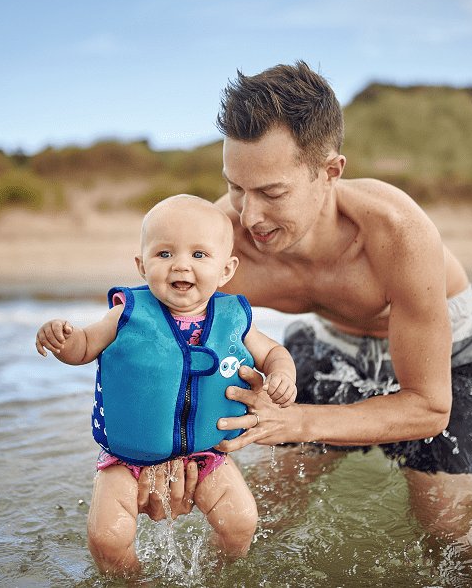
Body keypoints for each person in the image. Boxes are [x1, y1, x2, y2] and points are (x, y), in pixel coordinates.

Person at [144, 61, 472, 545]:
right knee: (265, 508)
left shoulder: (397, 233)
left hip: (445, 345)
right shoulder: (213, 243)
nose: (248, 215)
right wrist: (164, 451)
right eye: (236, 188)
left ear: (330, 172)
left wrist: (294, 420)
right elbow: (157, 346)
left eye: (273, 192)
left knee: (452, 532)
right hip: (329, 336)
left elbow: (428, 406)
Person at [35, 194, 297, 576]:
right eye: (164, 254)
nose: (181, 265)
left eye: (199, 255)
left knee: (241, 521)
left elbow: (274, 352)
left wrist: (282, 376)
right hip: (127, 460)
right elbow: (84, 346)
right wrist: (63, 338)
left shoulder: (234, 318)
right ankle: (133, 580)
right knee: (107, 537)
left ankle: (215, 571)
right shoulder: (126, 312)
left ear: (226, 269)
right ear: (142, 265)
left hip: (206, 455)